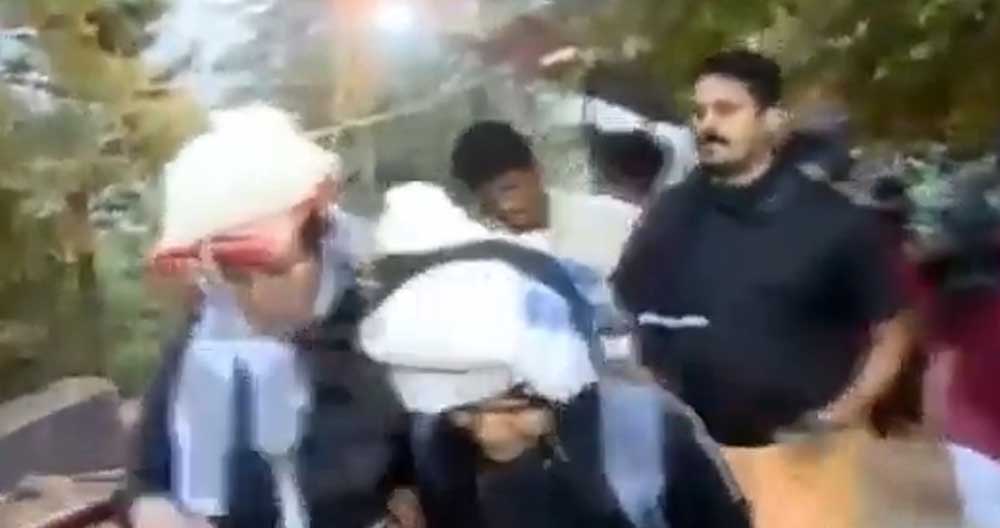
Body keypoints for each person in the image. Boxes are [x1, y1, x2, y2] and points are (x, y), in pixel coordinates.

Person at [613, 50, 913, 527]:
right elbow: (623, 310)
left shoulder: (836, 222)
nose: (707, 125)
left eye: (726, 110)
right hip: (692, 463)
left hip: (802, 464)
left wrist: (837, 415)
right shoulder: (669, 214)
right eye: (699, 112)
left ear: (773, 120)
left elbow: (892, 333)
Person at [359, 182, 751, 528]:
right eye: (463, 411)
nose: (487, 432)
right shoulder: (434, 442)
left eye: (512, 407)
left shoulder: (646, 436)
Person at [124, 104, 414, 528]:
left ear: (320, 236)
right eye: (233, 277)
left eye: (273, 271)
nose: (253, 299)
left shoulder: (388, 325)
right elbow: (147, 477)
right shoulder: (201, 345)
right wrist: (155, 510)